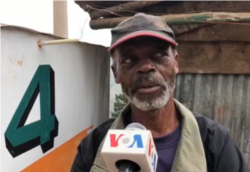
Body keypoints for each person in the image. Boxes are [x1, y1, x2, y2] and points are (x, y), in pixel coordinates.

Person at [71, 13, 249, 172]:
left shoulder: (214, 143)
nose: (146, 67)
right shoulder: (94, 146)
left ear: (176, 63)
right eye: (129, 59)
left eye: (159, 55)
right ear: (115, 73)